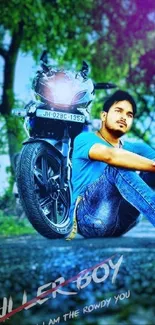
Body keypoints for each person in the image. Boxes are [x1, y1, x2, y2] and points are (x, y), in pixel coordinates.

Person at [68, 90, 155, 239]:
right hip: (89, 219)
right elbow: (110, 156)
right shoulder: (84, 139)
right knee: (117, 166)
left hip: (123, 223)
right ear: (104, 115)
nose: (124, 117)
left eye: (129, 115)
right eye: (118, 111)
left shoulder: (137, 147)